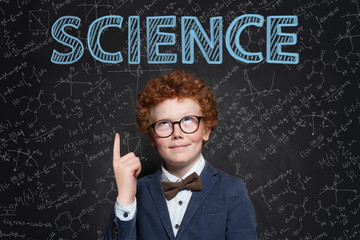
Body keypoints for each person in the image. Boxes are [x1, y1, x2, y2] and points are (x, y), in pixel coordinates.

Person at [105, 70, 258, 239]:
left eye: (188, 120)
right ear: (152, 137)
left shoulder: (232, 190)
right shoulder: (135, 192)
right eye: (164, 123)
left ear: (206, 130)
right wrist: (126, 198)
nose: (177, 133)